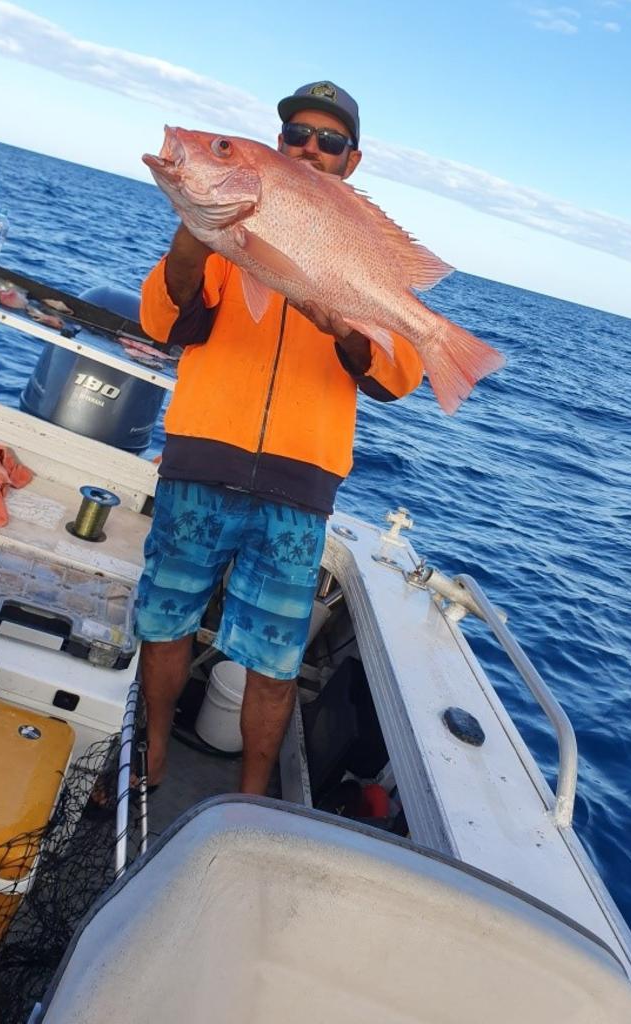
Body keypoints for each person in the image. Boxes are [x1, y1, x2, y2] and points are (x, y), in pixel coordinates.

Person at [137, 81, 423, 796]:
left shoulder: (357, 242)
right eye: (296, 133)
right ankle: (152, 755)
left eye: (329, 141)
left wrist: (350, 332)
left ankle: (255, 795)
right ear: (278, 142)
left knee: (273, 660)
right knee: (165, 619)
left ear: (351, 161)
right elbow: (165, 323)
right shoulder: (235, 225)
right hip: (199, 463)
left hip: (299, 486)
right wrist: (193, 237)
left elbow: (397, 375)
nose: (310, 149)